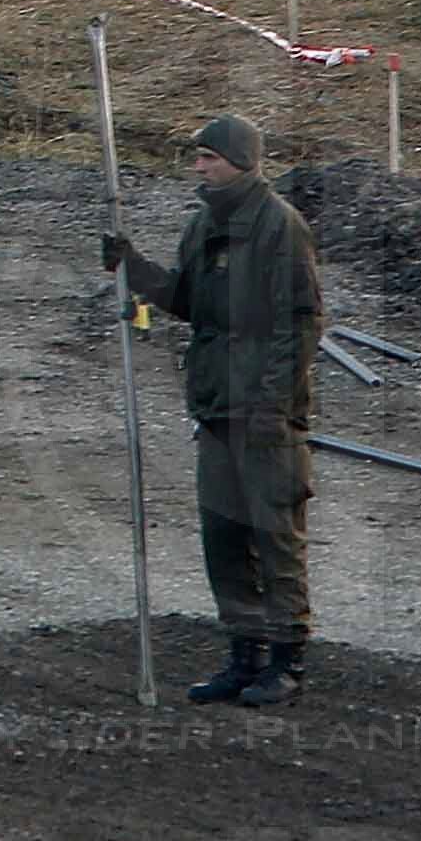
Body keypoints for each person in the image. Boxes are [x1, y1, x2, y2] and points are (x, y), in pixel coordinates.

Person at [108, 113, 322, 709]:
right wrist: (135, 270)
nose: (198, 167)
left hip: (266, 416)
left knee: (275, 537)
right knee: (223, 537)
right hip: (217, 409)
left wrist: (273, 405)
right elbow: (188, 301)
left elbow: (301, 324)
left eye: (209, 158)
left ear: (241, 162)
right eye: (197, 158)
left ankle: (286, 659)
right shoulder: (205, 224)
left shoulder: (280, 227)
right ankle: (242, 653)